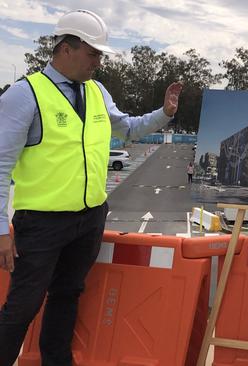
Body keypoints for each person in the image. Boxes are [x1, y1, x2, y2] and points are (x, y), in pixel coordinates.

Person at [0, 9, 182, 365]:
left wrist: (164, 113)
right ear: (66, 48)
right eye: (93, 53)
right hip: (41, 223)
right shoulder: (24, 95)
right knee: (23, 306)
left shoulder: (96, 91)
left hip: (89, 219)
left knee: (68, 294)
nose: (98, 62)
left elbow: (127, 128)